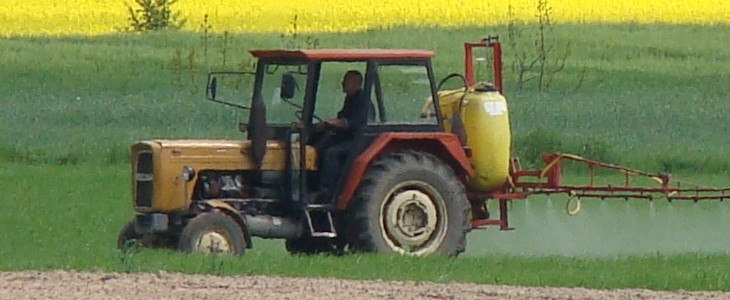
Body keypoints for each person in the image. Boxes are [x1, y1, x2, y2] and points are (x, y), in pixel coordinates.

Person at [315, 70, 370, 195]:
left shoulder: (363, 101)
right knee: (319, 146)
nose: (342, 83)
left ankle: (326, 191)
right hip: (347, 136)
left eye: (346, 80)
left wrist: (336, 122)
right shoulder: (350, 99)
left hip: (358, 140)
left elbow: (356, 123)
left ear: (356, 83)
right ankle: (312, 184)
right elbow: (343, 117)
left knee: (331, 153)